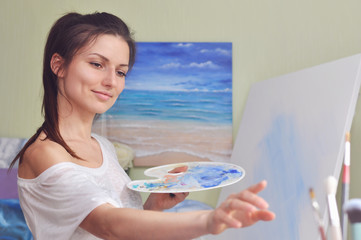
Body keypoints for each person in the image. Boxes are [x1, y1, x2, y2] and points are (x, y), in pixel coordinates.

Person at [9, 12, 275, 240]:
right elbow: (108, 225)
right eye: (97, 64)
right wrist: (207, 220)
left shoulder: (103, 147)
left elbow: (125, 230)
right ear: (59, 65)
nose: (111, 81)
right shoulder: (44, 153)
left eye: (121, 72)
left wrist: (154, 206)